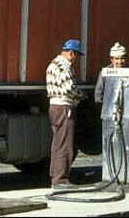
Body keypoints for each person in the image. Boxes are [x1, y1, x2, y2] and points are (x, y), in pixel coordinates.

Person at [46, 39, 86, 189]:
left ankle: (55, 175)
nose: (76, 58)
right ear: (71, 52)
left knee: (57, 143)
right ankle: (61, 180)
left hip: (54, 107)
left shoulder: (53, 64)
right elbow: (69, 88)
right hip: (64, 107)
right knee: (65, 145)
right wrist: (80, 95)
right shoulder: (64, 66)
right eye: (76, 55)